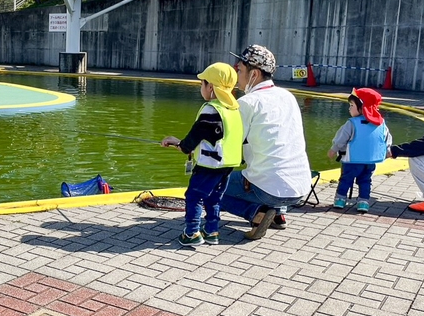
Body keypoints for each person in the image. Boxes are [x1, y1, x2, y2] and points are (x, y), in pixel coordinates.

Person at [218, 45, 312, 240]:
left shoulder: (248, 102)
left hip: (268, 188)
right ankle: (278, 215)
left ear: (254, 74)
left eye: (240, 70)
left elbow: (228, 143)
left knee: (209, 185)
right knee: (270, 168)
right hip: (301, 187)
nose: (237, 75)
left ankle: (257, 214)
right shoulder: (288, 96)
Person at [161, 62, 243, 246]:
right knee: (214, 198)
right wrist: (182, 144)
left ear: (211, 87)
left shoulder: (211, 110)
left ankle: (191, 233)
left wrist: (178, 144)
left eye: (202, 84)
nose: (201, 87)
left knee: (194, 197)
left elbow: (192, 141)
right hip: (227, 165)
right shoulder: (233, 110)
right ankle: (212, 231)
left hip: (209, 166)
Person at [328, 88, 392, 213]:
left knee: (346, 179)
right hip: (370, 161)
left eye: (352, 105)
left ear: (363, 107)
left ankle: (340, 200)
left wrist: (333, 149)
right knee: (365, 180)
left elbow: (341, 139)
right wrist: (388, 150)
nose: (349, 108)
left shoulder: (351, 123)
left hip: (352, 160)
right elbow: (387, 139)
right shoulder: (381, 123)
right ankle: (363, 202)